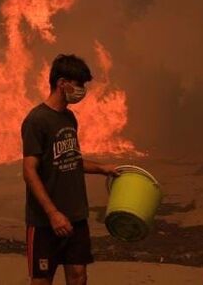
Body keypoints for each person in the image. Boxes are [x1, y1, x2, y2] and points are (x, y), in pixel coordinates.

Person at [21, 54, 119, 285]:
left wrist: (104, 169)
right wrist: (53, 214)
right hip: (45, 222)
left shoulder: (69, 118)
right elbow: (29, 171)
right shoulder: (37, 120)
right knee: (42, 280)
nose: (82, 90)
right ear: (62, 82)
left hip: (76, 215)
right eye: (78, 85)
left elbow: (71, 159)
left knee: (78, 276)